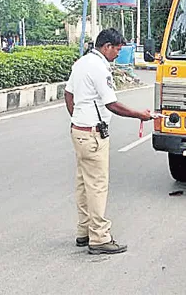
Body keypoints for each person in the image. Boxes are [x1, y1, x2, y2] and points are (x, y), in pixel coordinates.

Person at [64, 28, 154, 255]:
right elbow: (112, 104)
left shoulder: (81, 62)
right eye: (117, 49)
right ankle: (100, 238)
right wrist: (140, 115)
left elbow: (68, 94)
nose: (118, 54)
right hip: (93, 134)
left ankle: (84, 232)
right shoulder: (99, 67)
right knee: (97, 186)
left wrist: (77, 119)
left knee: (84, 184)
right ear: (106, 46)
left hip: (79, 131)